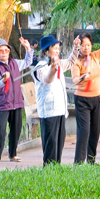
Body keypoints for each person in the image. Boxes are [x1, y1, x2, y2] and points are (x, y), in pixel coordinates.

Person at [33, 34, 81, 166]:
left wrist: (76, 48)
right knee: (51, 145)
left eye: (58, 48)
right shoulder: (40, 67)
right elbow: (48, 80)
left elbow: (71, 62)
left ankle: (56, 169)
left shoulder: (59, 64)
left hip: (60, 110)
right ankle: (48, 170)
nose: (57, 51)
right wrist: (53, 69)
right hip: (49, 112)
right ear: (46, 50)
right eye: (54, 48)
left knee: (59, 144)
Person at [71, 28, 100, 164]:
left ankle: (91, 160)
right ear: (79, 46)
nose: (86, 48)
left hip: (96, 98)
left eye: (88, 45)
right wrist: (83, 77)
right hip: (82, 99)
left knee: (95, 132)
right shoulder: (76, 62)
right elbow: (75, 79)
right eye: (83, 45)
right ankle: (78, 161)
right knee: (84, 131)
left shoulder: (95, 56)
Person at [0, 37, 33, 164]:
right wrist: (4, 79)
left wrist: (28, 48)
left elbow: (27, 62)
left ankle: (13, 154)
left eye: (6, 50)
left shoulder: (14, 63)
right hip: (2, 103)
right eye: (1, 51)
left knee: (16, 129)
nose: (4, 53)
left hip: (16, 102)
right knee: (0, 129)